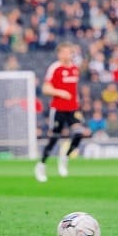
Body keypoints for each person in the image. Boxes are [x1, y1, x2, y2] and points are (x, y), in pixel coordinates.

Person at [35, 43, 85, 182]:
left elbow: (74, 89)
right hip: (58, 109)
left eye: (70, 52)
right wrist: (60, 92)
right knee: (54, 138)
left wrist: (77, 101)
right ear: (59, 54)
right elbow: (45, 89)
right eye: (65, 52)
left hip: (73, 109)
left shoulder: (75, 69)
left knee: (79, 134)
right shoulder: (55, 68)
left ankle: (65, 157)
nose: (68, 55)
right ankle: (41, 165)